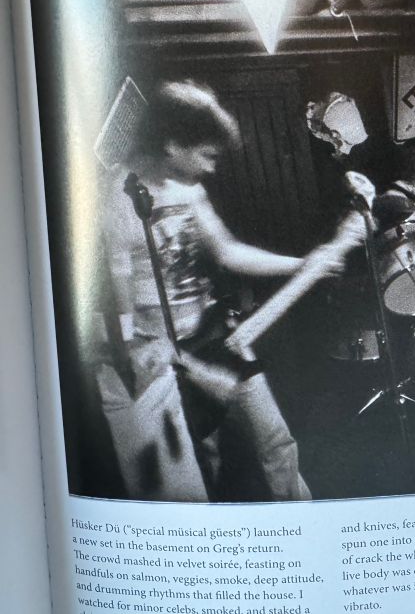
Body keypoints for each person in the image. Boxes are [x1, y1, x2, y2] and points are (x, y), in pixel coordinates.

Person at [100, 80, 366, 501]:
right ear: (171, 145)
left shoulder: (189, 190)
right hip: (164, 355)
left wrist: (302, 264)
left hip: (215, 331)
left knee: (275, 438)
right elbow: (117, 287)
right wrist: (134, 346)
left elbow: (226, 252)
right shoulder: (115, 197)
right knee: (200, 464)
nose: (210, 167)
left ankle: (300, 517)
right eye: (205, 154)